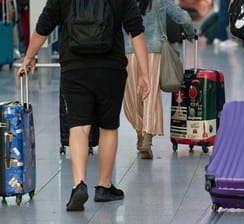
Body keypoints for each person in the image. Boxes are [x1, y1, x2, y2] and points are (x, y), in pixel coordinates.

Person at [18, 0, 150, 211]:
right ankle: (104, 187)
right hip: (111, 68)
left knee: (78, 126)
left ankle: (78, 184)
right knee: (108, 127)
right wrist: (145, 73)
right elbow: (136, 32)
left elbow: (43, 27)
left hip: (74, 68)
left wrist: (29, 56)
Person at [123, 0, 195, 159]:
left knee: (132, 96)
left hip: (128, 49)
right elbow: (182, 17)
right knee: (151, 93)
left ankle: (140, 134)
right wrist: (190, 32)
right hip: (154, 50)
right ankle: (147, 136)